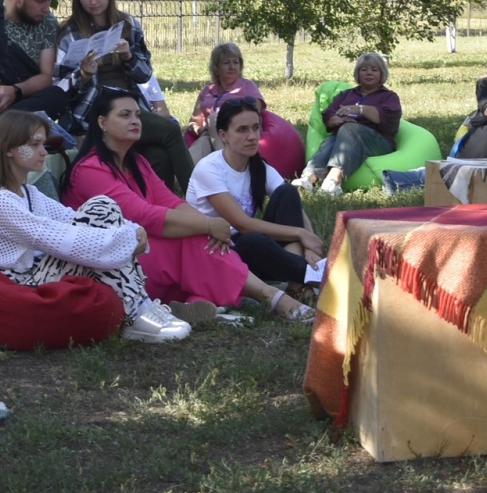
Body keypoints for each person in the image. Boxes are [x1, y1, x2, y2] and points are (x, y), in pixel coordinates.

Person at [65, 86, 313, 324]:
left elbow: (171, 201)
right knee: (195, 238)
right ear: (102, 123)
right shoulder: (90, 170)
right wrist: (207, 225)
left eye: (138, 115)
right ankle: (278, 293)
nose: (136, 121)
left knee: (281, 197)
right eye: (125, 115)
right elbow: (143, 215)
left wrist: (207, 226)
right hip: (112, 264)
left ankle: (199, 302)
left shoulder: (137, 163)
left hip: (144, 250)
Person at [0, 109, 190, 343]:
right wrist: (128, 238)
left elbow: (70, 217)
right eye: (35, 144)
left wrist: (131, 230)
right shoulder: (0, 201)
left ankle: (141, 306)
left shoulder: (29, 193)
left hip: (41, 269)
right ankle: (137, 312)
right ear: (9, 149)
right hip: (23, 280)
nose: (43, 151)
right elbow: (58, 238)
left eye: (43, 143)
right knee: (100, 215)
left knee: (101, 206)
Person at [55, 0, 191, 190]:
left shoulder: (127, 25)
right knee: (170, 130)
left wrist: (128, 56)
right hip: (92, 110)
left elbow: (145, 74)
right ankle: (203, 201)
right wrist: (83, 75)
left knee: (159, 157)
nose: (93, 1)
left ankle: (160, 214)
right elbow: (59, 89)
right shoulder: (70, 33)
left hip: (129, 103)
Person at [188, 98, 327, 288]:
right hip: (219, 251)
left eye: (255, 127)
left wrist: (310, 247)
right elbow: (242, 224)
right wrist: (300, 233)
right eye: (242, 130)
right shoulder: (209, 169)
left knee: (287, 192)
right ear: (223, 135)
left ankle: (298, 279)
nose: (252, 136)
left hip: (255, 249)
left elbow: (293, 207)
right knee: (254, 240)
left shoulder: (259, 166)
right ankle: (320, 276)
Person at [298, 52, 403, 196]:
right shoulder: (347, 95)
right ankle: (309, 179)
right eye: (364, 69)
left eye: (374, 70)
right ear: (358, 73)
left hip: (378, 142)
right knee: (331, 140)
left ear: (382, 73)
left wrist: (360, 110)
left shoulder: (389, 97)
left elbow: (388, 119)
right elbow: (329, 114)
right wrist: (335, 120)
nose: (369, 73)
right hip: (344, 138)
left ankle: (334, 180)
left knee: (349, 128)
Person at [186, 42, 264, 162]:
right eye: (226, 63)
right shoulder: (207, 91)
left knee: (214, 118)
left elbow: (254, 114)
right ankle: (179, 179)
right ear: (216, 69)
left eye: (236, 62)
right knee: (202, 143)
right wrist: (201, 130)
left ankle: (226, 166)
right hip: (210, 137)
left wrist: (217, 122)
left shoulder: (248, 87)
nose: (232, 67)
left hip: (238, 135)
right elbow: (193, 122)